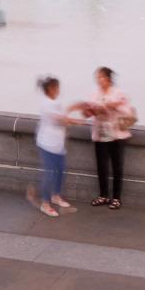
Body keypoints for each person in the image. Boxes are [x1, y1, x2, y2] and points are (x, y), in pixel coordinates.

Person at [76, 65, 134, 208]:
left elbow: (128, 112)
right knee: (102, 166)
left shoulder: (119, 93)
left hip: (116, 135)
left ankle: (116, 198)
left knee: (117, 166)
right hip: (100, 134)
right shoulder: (94, 94)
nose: (99, 80)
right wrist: (90, 110)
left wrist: (114, 106)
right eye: (97, 77)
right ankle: (103, 195)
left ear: (108, 79)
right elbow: (87, 114)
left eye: (101, 77)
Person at [27, 75, 73, 216]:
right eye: (57, 87)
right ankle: (45, 204)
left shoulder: (57, 103)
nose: (59, 90)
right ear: (51, 89)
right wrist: (73, 117)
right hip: (46, 144)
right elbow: (61, 119)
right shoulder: (46, 104)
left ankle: (56, 196)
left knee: (60, 171)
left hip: (58, 145)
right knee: (49, 173)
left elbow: (63, 121)